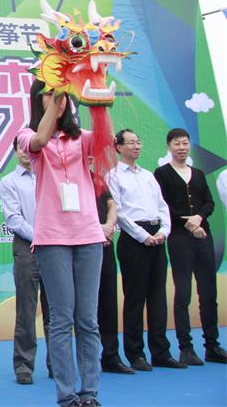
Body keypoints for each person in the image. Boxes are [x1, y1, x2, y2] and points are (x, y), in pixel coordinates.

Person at [16, 81, 106, 407]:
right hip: (53, 238)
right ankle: (67, 394)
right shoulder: (26, 134)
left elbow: (105, 140)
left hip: (88, 236)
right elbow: (40, 140)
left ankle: (90, 392)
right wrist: (56, 101)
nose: (58, 99)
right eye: (50, 94)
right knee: (61, 319)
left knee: (88, 320)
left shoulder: (81, 138)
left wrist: (100, 100)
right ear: (38, 99)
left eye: (63, 94)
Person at [108, 129, 185, 371]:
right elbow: (118, 212)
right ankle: (135, 354)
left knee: (158, 297)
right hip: (134, 240)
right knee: (135, 298)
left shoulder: (148, 175)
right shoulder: (113, 176)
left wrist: (163, 231)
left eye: (138, 142)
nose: (136, 146)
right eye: (131, 143)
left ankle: (161, 352)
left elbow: (162, 206)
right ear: (118, 147)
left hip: (157, 237)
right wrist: (143, 236)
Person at [154, 128, 227, 365]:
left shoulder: (198, 173)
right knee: (183, 293)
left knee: (208, 293)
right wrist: (188, 223)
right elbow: (163, 205)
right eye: (177, 144)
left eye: (185, 143)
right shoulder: (162, 174)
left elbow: (209, 202)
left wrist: (199, 218)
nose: (182, 148)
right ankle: (186, 348)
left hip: (203, 237)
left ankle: (212, 346)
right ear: (169, 147)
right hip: (179, 239)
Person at [0, 138, 51, 385]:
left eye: (28, 147)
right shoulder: (9, 182)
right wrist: (40, 237)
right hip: (26, 247)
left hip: (55, 247)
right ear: (15, 152)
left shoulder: (49, 176)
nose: (25, 152)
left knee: (57, 310)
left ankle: (58, 363)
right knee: (26, 310)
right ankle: (23, 365)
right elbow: (14, 219)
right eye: (20, 148)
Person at [94, 182, 134, 374]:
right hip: (81, 245)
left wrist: (109, 226)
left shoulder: (97, 180)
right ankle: (84, 360)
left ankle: (111, 355)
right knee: (81, 307)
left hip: (106, 243)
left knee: (108, 301)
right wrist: (97, 230)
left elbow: (112, 204)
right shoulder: (65, 177)